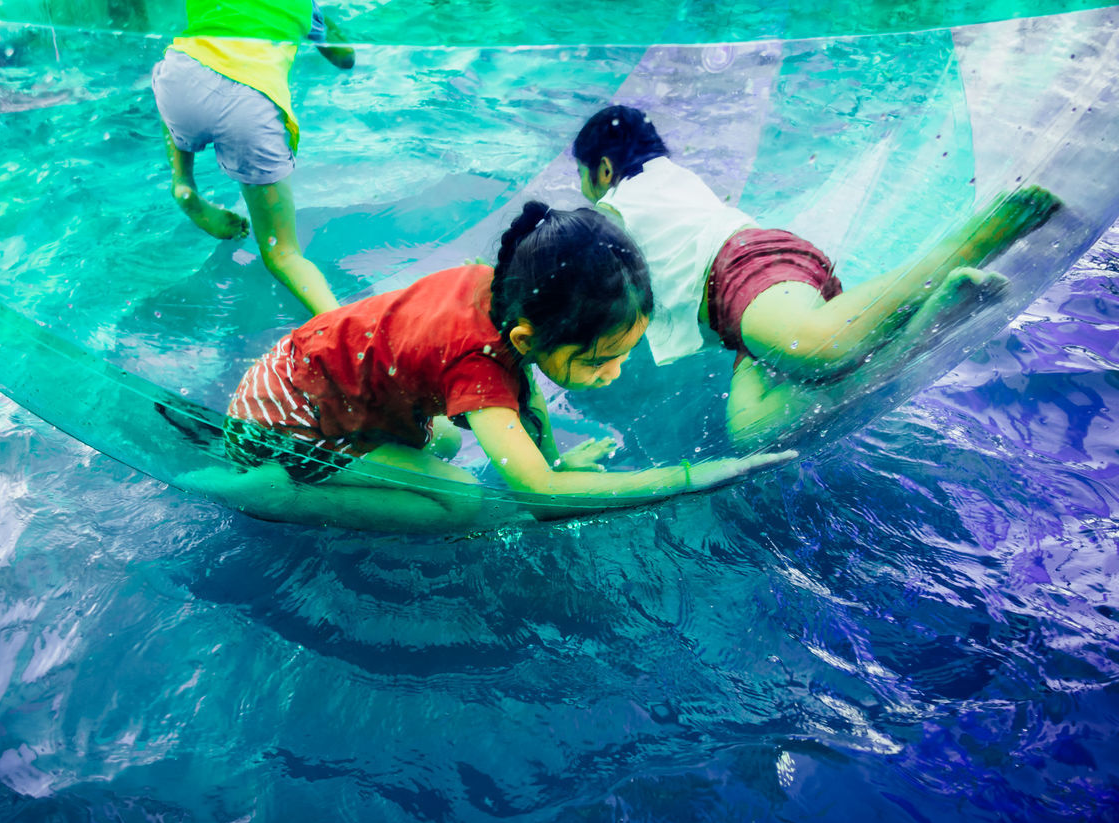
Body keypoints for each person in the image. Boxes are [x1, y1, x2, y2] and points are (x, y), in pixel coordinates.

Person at [211, 203, 793, 528]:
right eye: (597, 361)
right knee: (460, 501)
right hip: (283, 424)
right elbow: (539, 495)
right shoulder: (480, 366)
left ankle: (306, 471)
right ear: (525, 336)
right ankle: (278, 497)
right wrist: (687, 479)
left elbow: (525, 395)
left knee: (438, 446)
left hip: (296, 376)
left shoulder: (504, 289)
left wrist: (557, 458)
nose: (612, 374)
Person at [572, 104, 1061, 445]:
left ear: (604, 169)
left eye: (582, 175)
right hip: (743, 309)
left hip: (744, 272)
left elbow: (596, 269)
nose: (583, 189)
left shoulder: (620, 202)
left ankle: (983, 234)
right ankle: (941, 310)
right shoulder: (671, 181)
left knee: (820, 347)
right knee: (753, 429)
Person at [152, 0, 355, 316]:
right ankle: (340, 325)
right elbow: (345, 58)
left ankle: (183, 181)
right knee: (283, 254)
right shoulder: (304, 6)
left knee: (174, 64)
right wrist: (320, 19)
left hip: (181, 83)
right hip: (249, 105)